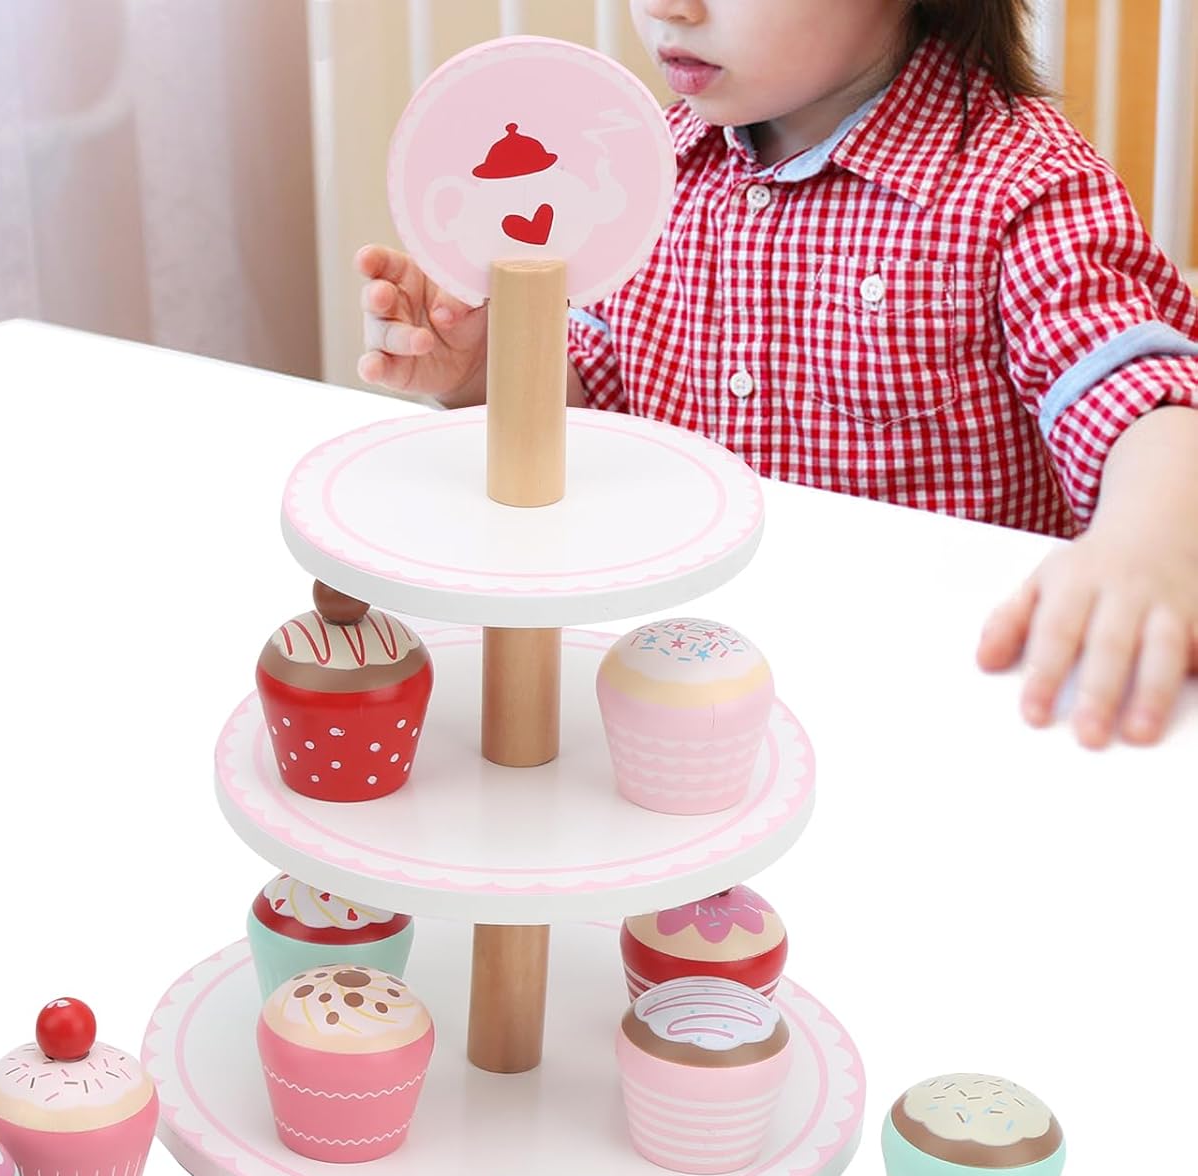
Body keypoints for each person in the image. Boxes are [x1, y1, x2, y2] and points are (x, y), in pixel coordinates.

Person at [356, 0, 1198, 749]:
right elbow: (600, 401)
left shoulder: (1023, 185)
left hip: (925, 697)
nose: (668, 8)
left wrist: (1149, 543)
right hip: (685, 688)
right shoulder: (646, 170)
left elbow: (1136, 392)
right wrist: (485, 369)